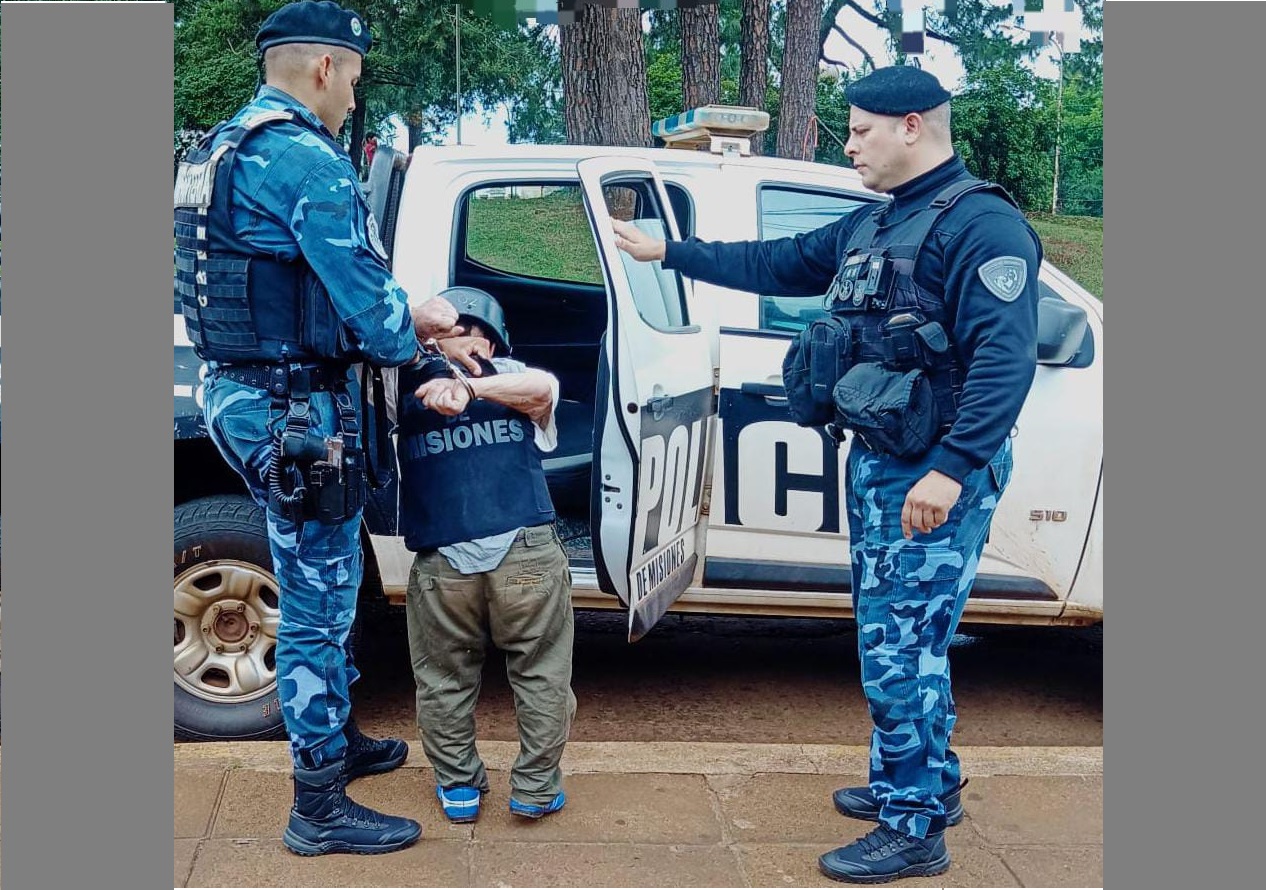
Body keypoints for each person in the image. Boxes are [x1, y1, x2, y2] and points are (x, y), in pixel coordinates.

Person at [613, 65, 1041, 884]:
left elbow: (1004, 362)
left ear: (912, 126)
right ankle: (922, 784)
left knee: (899, 647)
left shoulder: (983, 226)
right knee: (908, 637)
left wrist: (951, 469)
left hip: (931, 472)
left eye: (861, 130)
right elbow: (777, 262)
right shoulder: (878, 223)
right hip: (885, 462)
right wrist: (670, 250)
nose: (848, 145)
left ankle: (913, 828)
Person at [174, 0, 478, 857]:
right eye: (351, 75)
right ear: (321, 69)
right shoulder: (305, 159)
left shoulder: (217, 150)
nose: (352, 93)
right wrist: (422, 316)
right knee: (312, 603)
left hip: (242, 391)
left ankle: (336, 738)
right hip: (297, 410)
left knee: (330, 579)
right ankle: (318, 805)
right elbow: (378, 321)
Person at [396, 287, 576, 825]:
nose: (447, 343)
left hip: (457, 563)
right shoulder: (403, 380)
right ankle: (534, 791)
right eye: (437, 336)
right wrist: (429, 358)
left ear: (487, 342)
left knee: (446, 681)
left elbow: (543, 385)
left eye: (455, 333)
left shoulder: (511, 381)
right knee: (539, 674)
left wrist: (468, 387)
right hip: (510, 559)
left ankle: (461, 789)